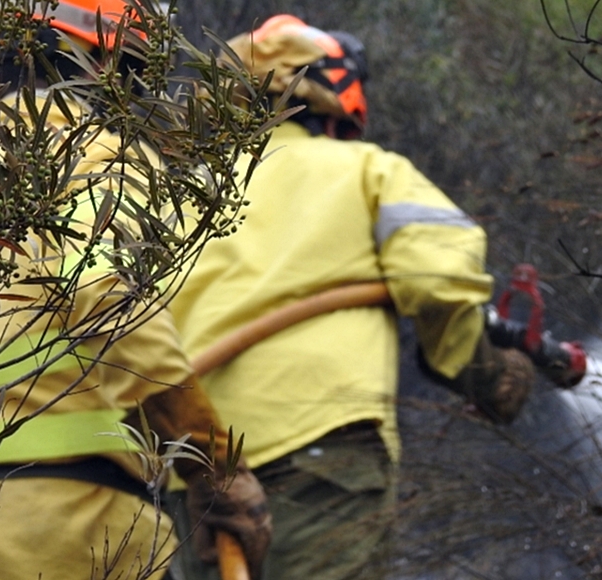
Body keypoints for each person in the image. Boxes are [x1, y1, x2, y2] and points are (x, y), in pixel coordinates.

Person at [0, 2, 271, 578]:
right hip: (70, 521)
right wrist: (213, 466)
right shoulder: (96, 161)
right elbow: (112, 299)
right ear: (102, 64)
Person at [166, 14, 536, 579]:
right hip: (321, 448)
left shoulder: (177, 190)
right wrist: (485, 372)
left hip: (198, 471)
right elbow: (439, 281)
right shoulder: (368, 172)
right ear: (337, 92)